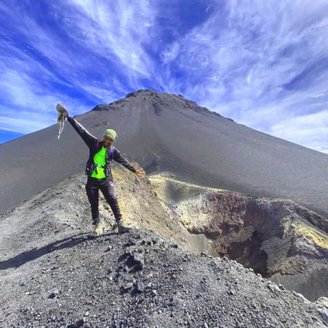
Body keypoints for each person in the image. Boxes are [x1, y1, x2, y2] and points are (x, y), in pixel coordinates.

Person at [57, 104, 145, 235]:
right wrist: (68, 117)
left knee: (112, 198)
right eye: (107, 138)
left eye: (111, 140)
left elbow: (122, 161)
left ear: (113, 141)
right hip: (92, 179)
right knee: (94, 203)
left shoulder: (113, 151)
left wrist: (134, 170)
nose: (108, 141)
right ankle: (97, 225)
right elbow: (82, 131)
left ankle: (120, 223)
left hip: (105, 179)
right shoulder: (94, 143)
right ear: (104, 137)